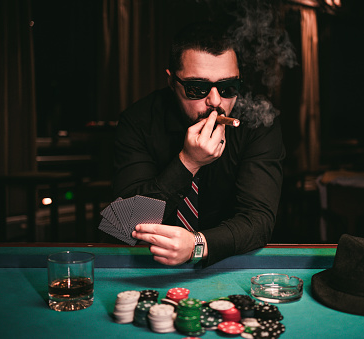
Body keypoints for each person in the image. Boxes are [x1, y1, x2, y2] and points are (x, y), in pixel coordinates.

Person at [113, 22, 285, 267]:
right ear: (172, 82)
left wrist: (197, 244)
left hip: (230, 263)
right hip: (147, 264)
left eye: (228, 87)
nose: (215, 101)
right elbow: (123, 224)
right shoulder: (138, 121)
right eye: (197, 88)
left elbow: (258, 220)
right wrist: (188, 162)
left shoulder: (259, 122)